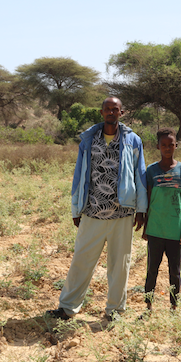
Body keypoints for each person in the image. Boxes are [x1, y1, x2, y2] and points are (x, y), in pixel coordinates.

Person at [47, 97, 147, 321]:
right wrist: (76, 209)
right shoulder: (89, 140)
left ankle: (115, 311)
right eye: (107, 109)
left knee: (120, 266)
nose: (111, 112)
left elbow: (140, 175)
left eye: (115, 109)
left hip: (122, 214)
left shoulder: (133, 140)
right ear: (101, 113)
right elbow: (79, 176)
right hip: (92, 212)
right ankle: (68, 307)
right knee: (81, 260)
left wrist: (141, 208)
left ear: (121, 113)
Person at [140, 128, 181, 311]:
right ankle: (148, 306)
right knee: (152, 270)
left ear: (176, 145)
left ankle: (174, 307)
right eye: (164, 145)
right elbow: (147, 200)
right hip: (155, 229)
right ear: (158, 147)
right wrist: (145, 226)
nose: (168, 148)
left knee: (175, 272)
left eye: (171, 145)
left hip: (175, 230)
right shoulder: (151, 170)